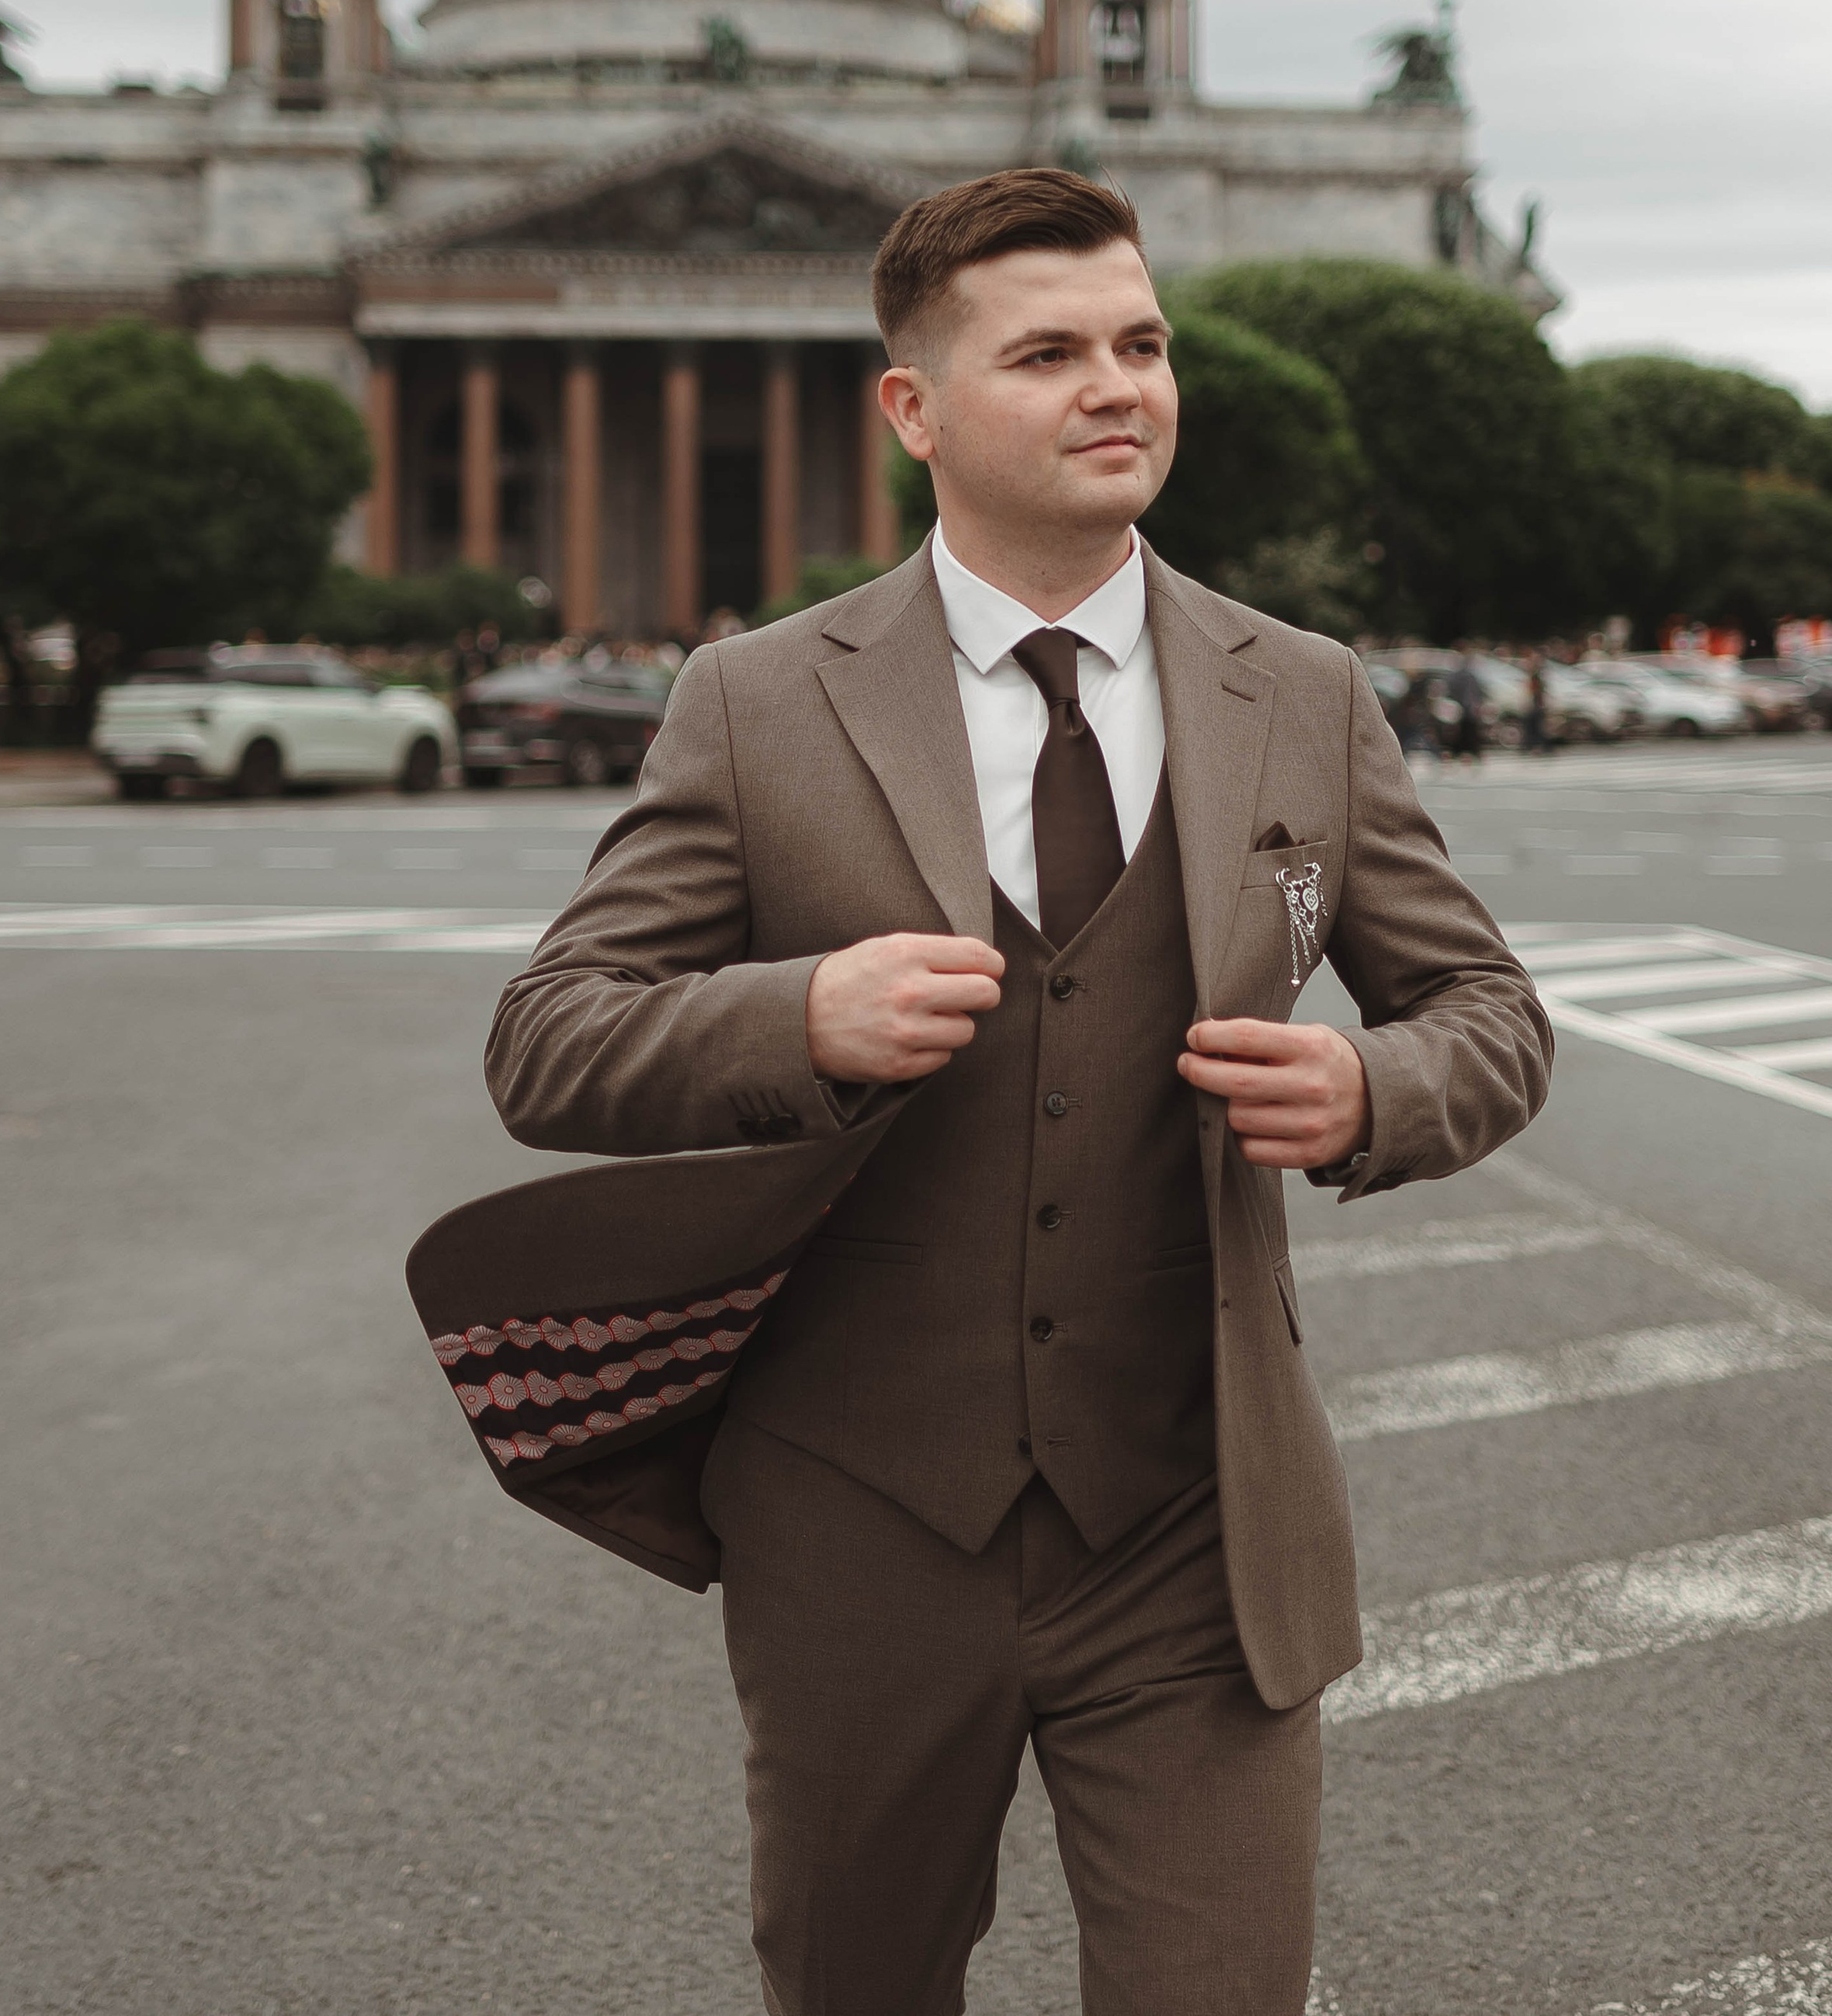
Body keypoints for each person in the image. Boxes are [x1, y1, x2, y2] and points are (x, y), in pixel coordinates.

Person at [410, 169, 1551, 2016]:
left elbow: (1487, 1011)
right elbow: (547, 1038)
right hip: (858, 1521)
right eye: (1049, 353)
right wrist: (793, 1015)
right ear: (912, 409)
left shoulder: (1307, 694)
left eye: (1141, 343)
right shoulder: (756, 698)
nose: (1119, 386)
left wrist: (1369, 1085)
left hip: (1194, 1514)